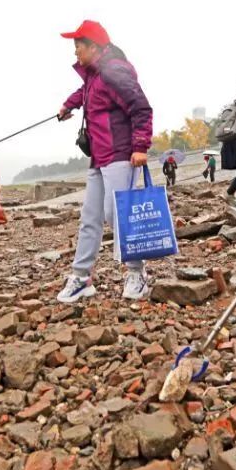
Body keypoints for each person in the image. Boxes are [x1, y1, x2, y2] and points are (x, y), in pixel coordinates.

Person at [56, 20, 154, 303]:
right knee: (90, 218)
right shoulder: (96, 74)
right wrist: (69, 105)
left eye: (78, 46)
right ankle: (82, 277)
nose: (75, 52)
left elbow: (141, 108)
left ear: (94, 47)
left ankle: (137, 274)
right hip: (99, 157)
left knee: (117, 216)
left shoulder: (114, 71)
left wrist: (140, 146)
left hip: (121, 154)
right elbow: (88, 92)